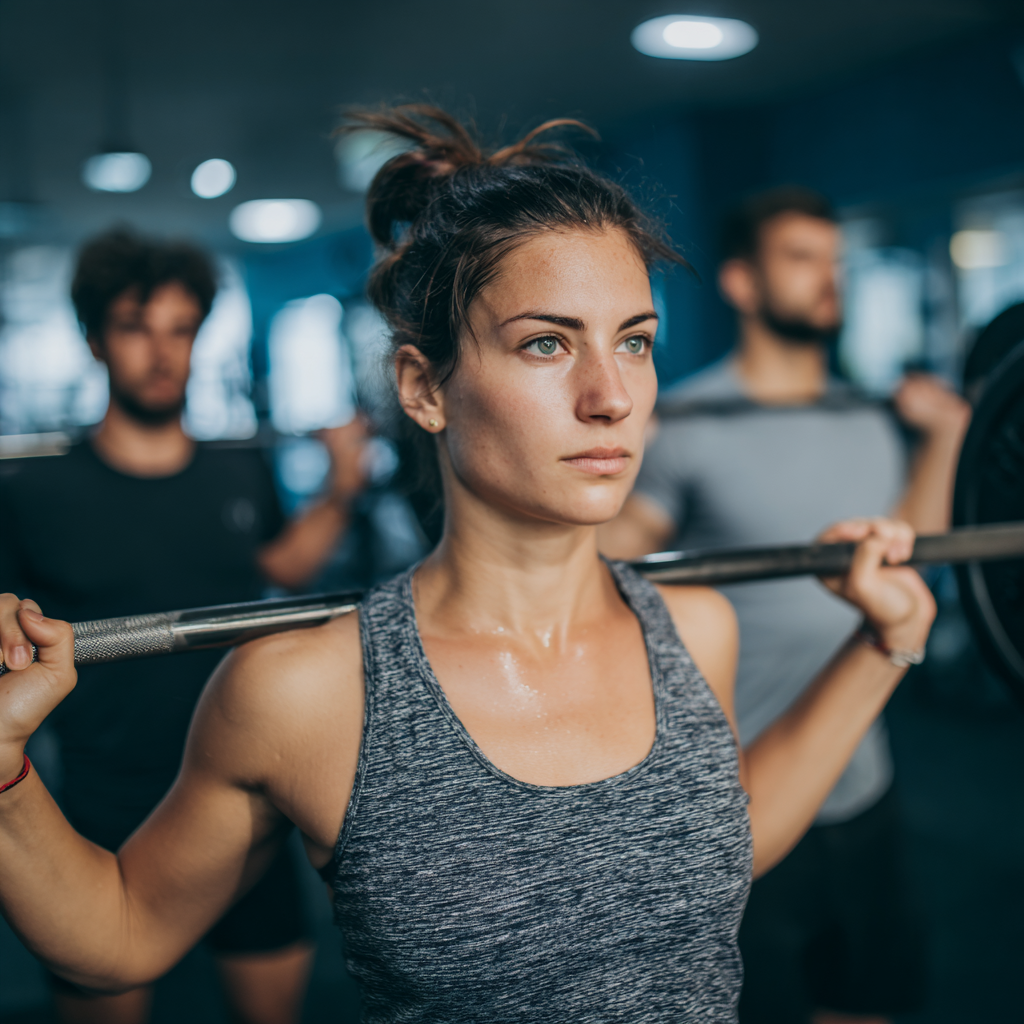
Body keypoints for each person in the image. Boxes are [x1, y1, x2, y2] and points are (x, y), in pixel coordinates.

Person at [0, 108, 936, 1024]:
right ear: (423, 387)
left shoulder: (695, 628)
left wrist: (880, 644)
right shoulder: (306, 693)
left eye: (635, 342)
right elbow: (118, 933)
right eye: (545, 343)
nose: (611, 397)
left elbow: (725, 842)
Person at [600, 187, 970, 1024]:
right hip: (743, 789)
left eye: (833, 261)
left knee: (871, 999)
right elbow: (604, 565)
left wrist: (945, 438)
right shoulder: (686, 423)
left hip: (864, 780)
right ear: (741, 282)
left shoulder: (868, 413)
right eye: (802, 259)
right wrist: (613, 460)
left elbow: (903, 563)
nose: (827, 279)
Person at [0, 230, 368, 1024]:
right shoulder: (34, 491)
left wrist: (340, 487)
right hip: (103, 804)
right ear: (96, 340)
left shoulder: (238, 468)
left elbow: (288, 569)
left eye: (180, 329)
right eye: (137, 328)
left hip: (245, 797)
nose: (162, 353)